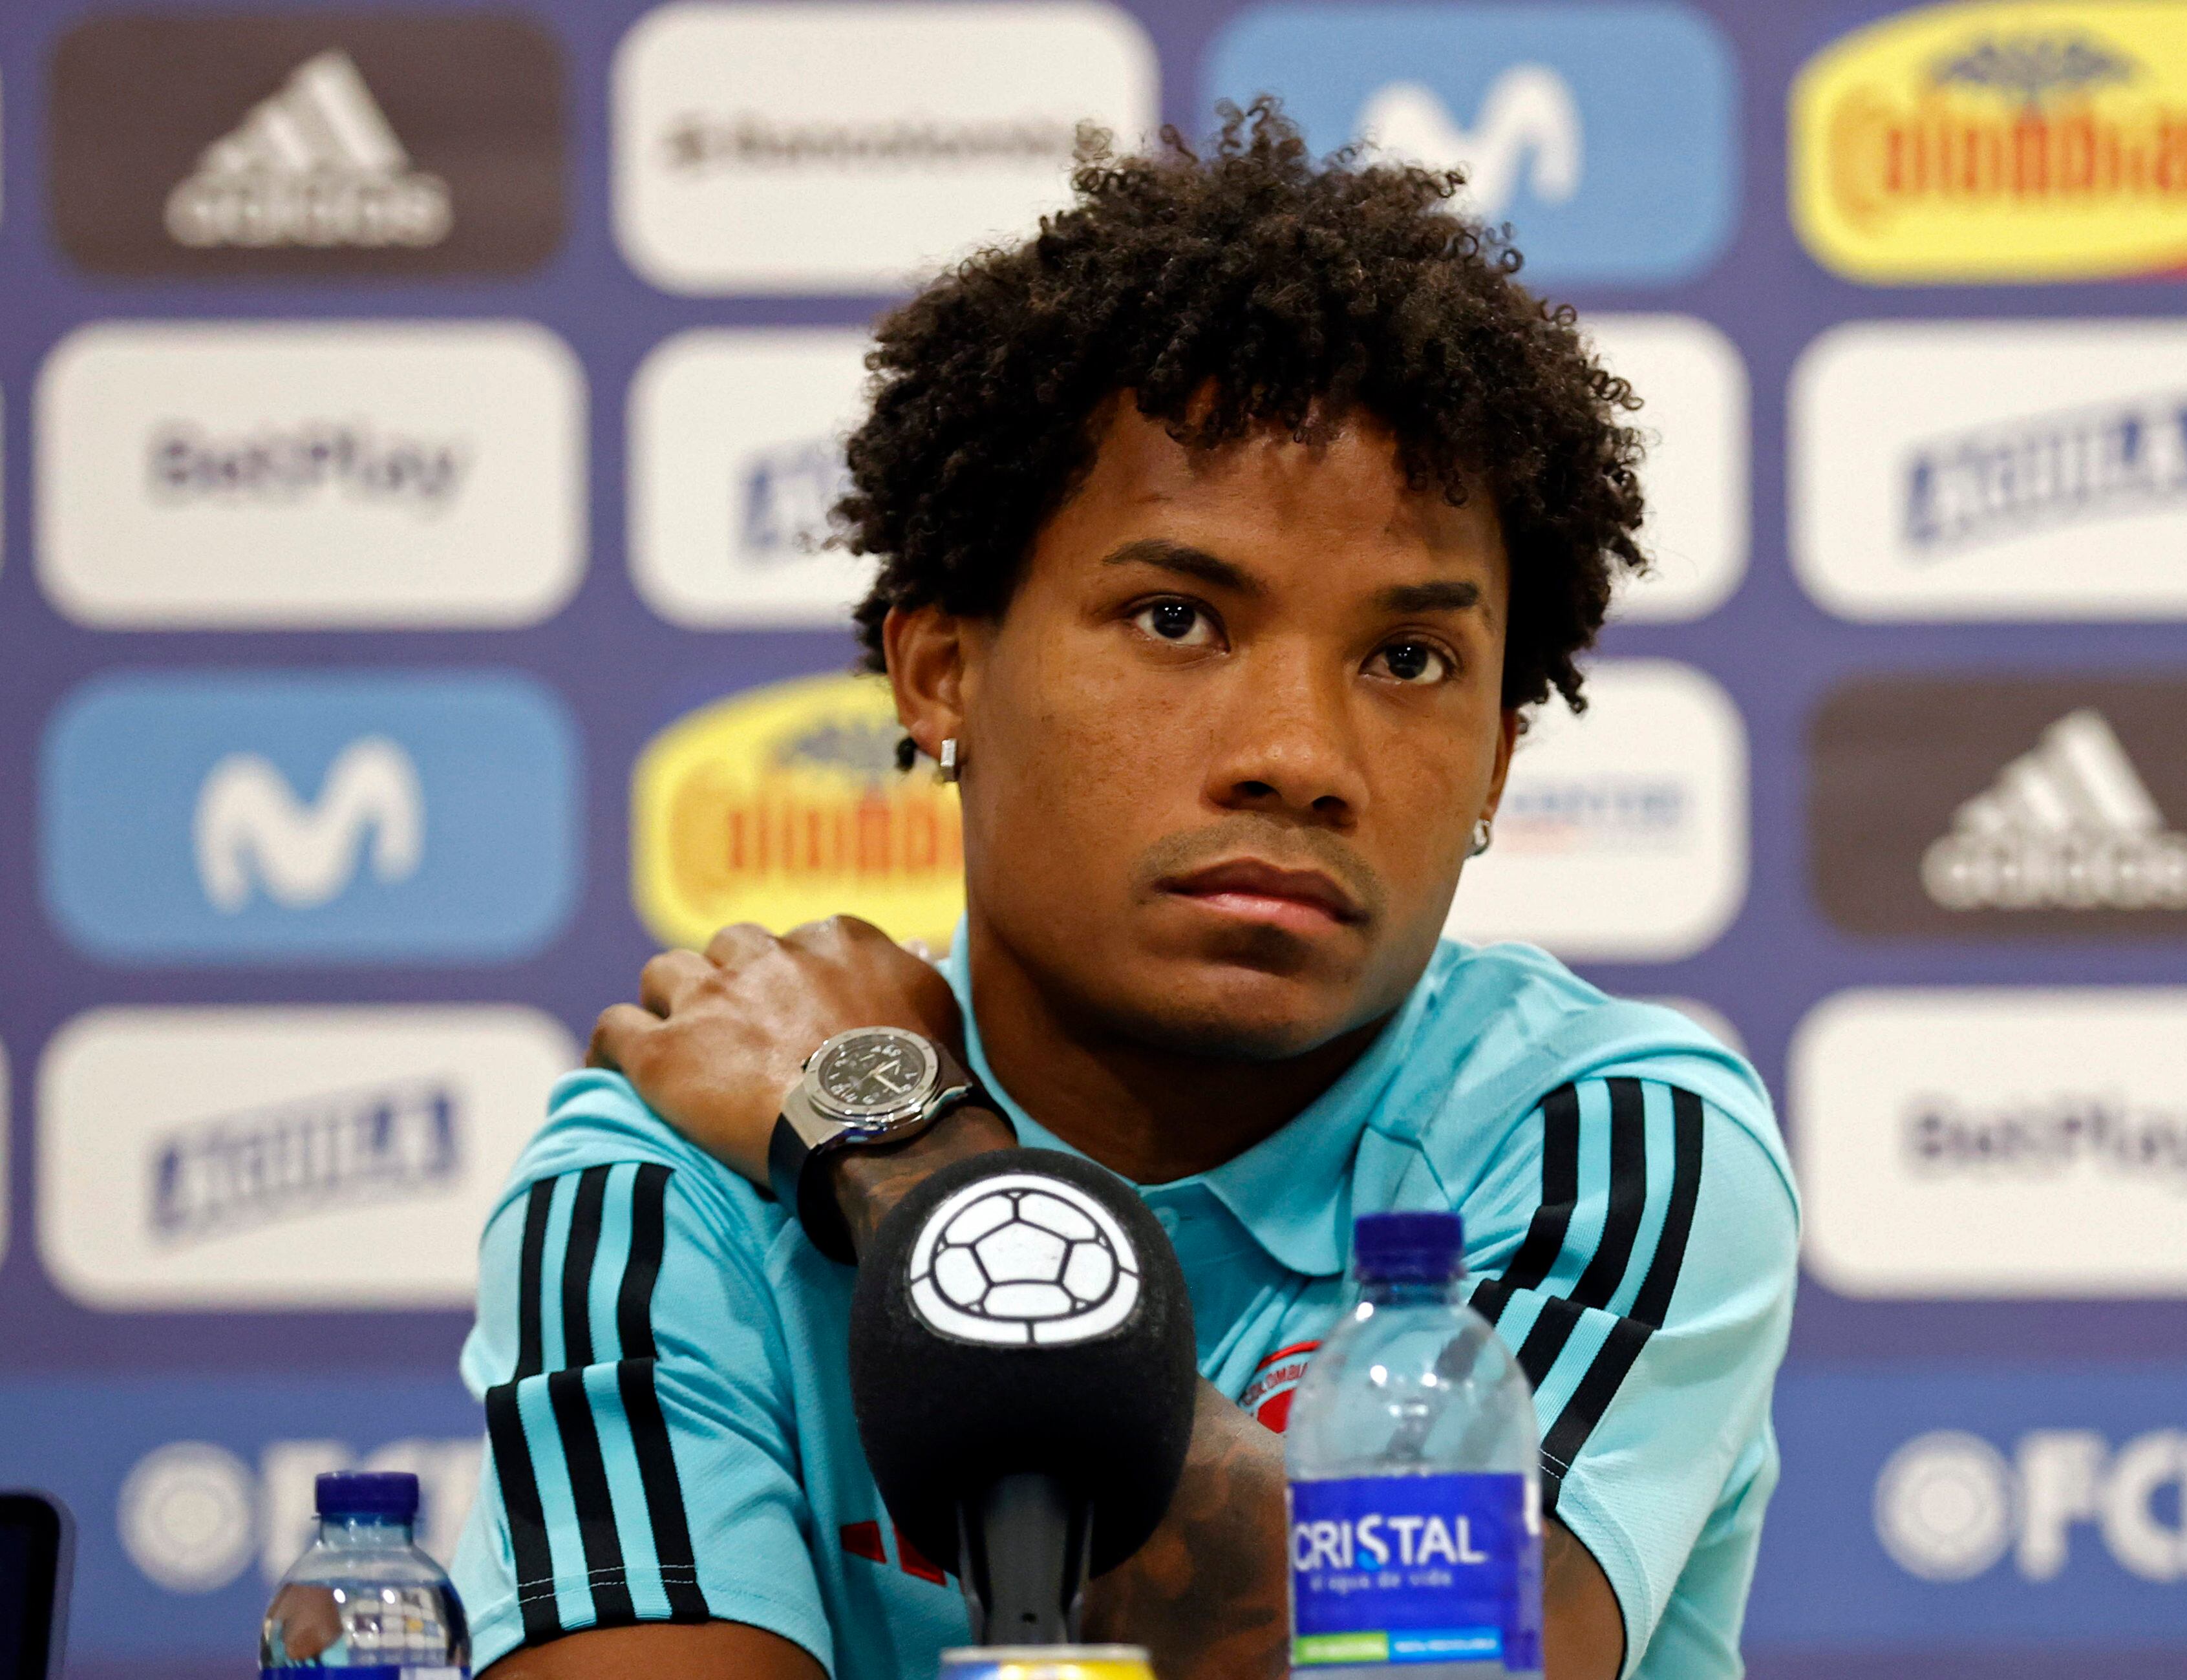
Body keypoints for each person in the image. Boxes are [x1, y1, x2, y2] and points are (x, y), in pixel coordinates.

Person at [454, 103, 1798, 1680]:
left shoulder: (1608, 1142)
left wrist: (906, 1149)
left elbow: (1440, 1663)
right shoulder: (669, 1181)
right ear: (941, 667)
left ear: (1497, 762)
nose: (1302, 755)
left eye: (1409, 659)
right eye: (1176, 618)